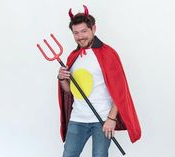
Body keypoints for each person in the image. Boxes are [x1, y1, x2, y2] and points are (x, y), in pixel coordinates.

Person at [57, 5, 141, 157]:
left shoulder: (108, 54)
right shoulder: (73, 57)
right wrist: (62, 79)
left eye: (84, 31)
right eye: (76, 33)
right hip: (77, 119)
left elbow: (119, 91)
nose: (80, 36)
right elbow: (70, 91)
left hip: (102, 120)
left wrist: (111, 118)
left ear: (93, 29)